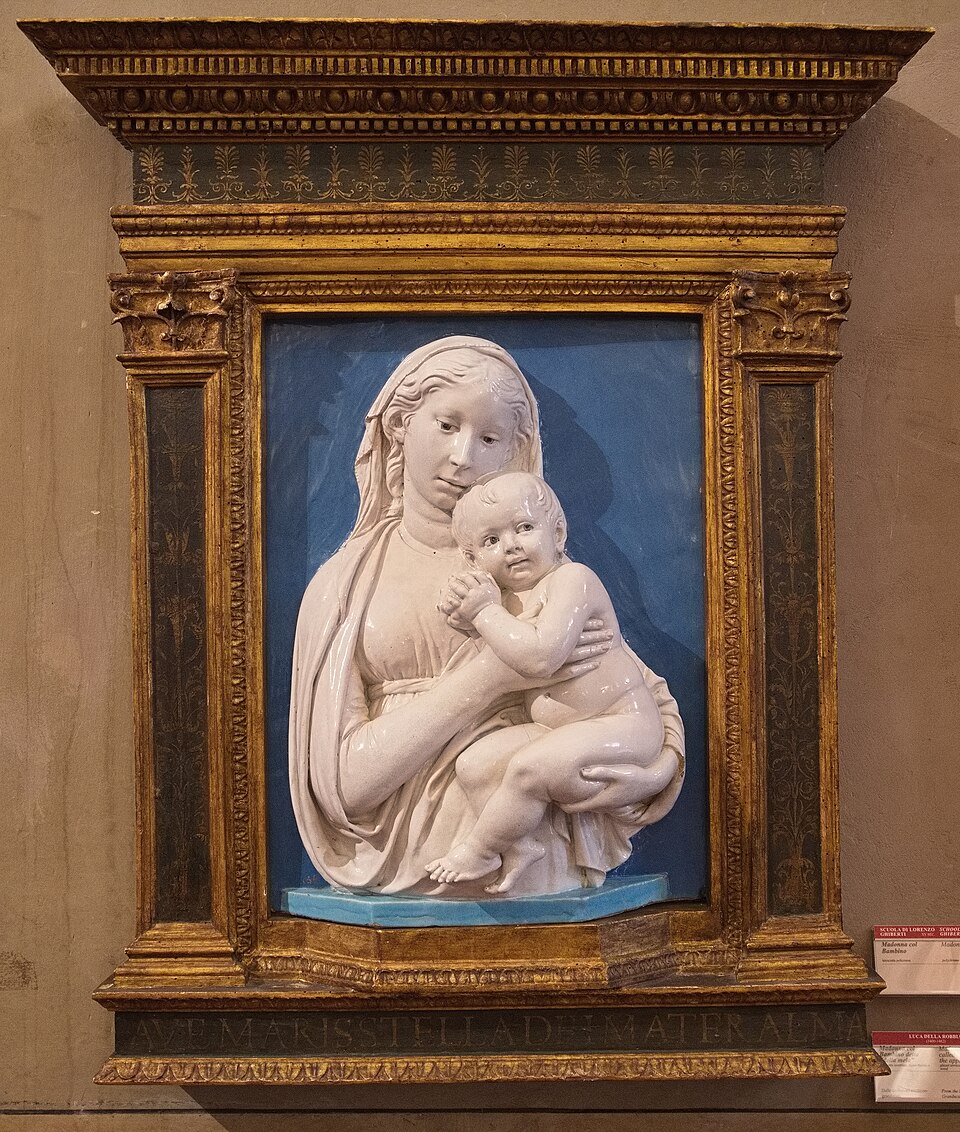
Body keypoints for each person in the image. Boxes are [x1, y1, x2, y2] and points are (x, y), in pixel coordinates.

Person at [288, 336, 684, 898]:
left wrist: (658, 770)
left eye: (490, 437)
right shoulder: (344, 587)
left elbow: (631, 692)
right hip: (396, 861)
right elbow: (345, 786)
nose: (463, 457)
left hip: (541, 866)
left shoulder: (534, 571)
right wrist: (491, 678)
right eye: (447, 426)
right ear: (400, 425)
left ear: (513, 453)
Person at [427, 472, 679, 893]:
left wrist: (483, 615)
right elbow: (504, 649)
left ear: (557, 533)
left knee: (529, 768)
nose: (510, 545)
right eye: (491, 541)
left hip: (622, 725)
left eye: (523, 528)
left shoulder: (572, 580)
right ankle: (519, 844)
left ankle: (481, 848)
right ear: (474, 562)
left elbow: (541, 657)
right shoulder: (506, 602)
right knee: (474, 765)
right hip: (562, 729)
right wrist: (472, 618)